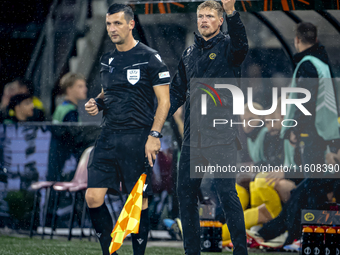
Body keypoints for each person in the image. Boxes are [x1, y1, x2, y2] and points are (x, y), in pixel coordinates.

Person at [84, 4, 170, 255]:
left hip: (137, 137)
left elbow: (164, 101)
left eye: (117, 23)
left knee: (137, 204)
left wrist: (154, 135)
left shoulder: (150, 57)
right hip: (108, 135)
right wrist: (97, 103)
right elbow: (109, 91)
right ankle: (109, 251)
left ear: (131, 24)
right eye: (109, 24)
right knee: (93, 197)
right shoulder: (107, 59)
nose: (112, 29)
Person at [247, 22, 340, 247]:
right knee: (311, 186)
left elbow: (304, 99)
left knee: (311, 187)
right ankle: (301, 235)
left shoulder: (307, 64)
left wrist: (295, 128)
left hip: (313, 135)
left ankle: (296, 234)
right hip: (325, 134)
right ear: (315, 39)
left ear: (297, 40)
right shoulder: (323, 64)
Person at [168, 0, 248, 254]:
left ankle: (241, 251)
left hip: (222, 135)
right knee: (186, 194)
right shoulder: (189, 53)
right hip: (193, 138)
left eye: (210, 16)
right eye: (201, 16)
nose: (204, 20)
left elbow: (242, 46)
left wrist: (232, 12)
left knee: (227, 193)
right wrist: (154, 123)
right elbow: (175, 93)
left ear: (220, 20)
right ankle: (192, 251)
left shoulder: (228, 47)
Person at [47, 72, 88, 182]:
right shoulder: (70, 112)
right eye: (80, 86)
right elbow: (75, 137)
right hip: (65, 159)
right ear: (69, 89)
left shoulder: (61, 108)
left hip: (57, 158)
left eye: (85, 86)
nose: (85, 89)